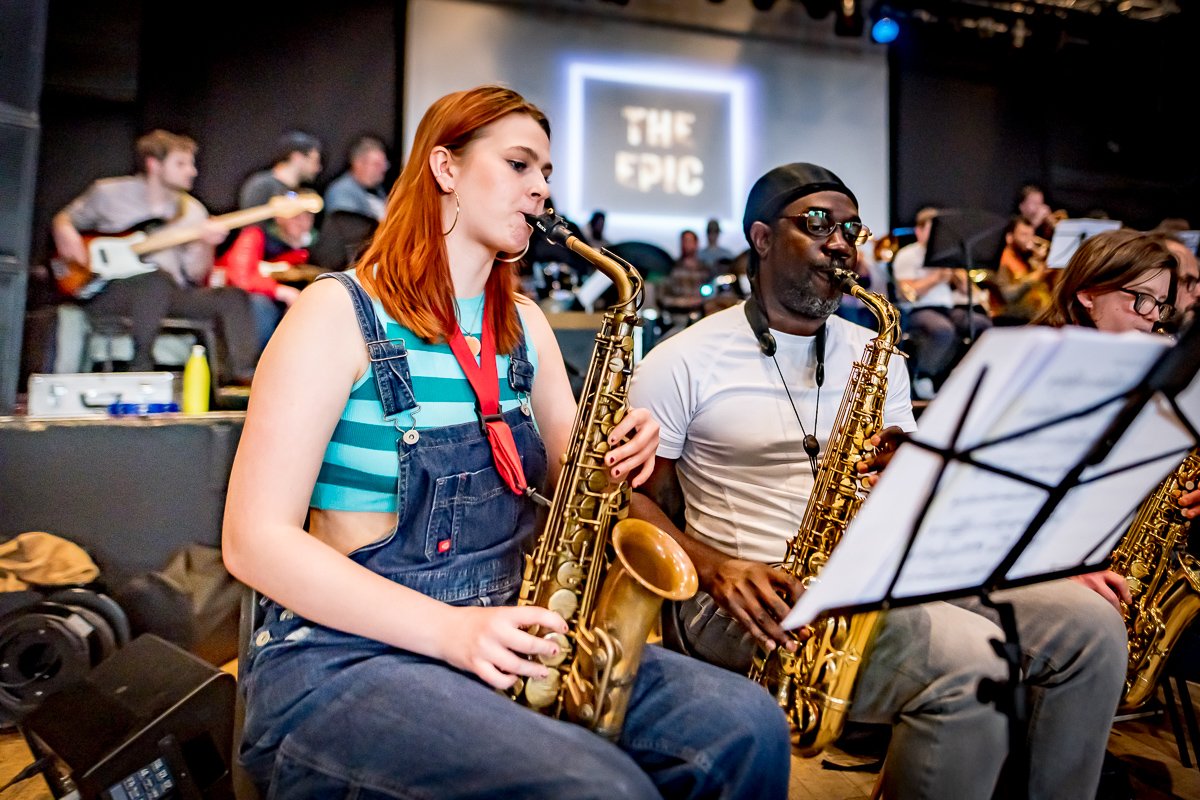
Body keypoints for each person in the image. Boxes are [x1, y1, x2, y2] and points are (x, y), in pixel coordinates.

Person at [222, 85, 790, 800]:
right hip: (351, 658)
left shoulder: (526, 325)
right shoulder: (336, 312)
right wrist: (452, 633)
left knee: (747, 723)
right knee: (601, 789)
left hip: (511, 630)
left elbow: (585, 482)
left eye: (547, 173)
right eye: (521, 165)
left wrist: (625, 451)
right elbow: (253, 541)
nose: (541, 189)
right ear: (445, 168)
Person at [628, 161, 1130, 800]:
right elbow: (632, 498)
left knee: (1089, 627)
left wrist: (914, 478)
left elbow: (908, 497)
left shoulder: (877, 353)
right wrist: (716, 565)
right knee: (974, 660)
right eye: (817, 224)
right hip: (749, 597)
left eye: (850, 228)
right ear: (760, 238)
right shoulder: (680, 359)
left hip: (874, 582)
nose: (839, 242)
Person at [51, 129, 259, 383]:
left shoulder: (193, 211)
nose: (192, 171)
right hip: (108, 290)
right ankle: (140, 368)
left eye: (191, 164)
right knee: (154, 281)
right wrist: (63, 229)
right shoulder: (108, 193)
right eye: (181, 164)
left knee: (231, 297)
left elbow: (194, 274)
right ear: (154, 164)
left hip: (169, 293)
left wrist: (205, 245)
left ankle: (243, 377)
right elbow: (65, 218)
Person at [891, 205, 993, 396]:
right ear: (919, 231)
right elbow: (907, 292)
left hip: (947, 307)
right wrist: (936, 278)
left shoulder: (948, 255)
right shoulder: (907, 255)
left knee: (981, 324)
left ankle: (963, 373)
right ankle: (924, 376)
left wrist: (959, 274)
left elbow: (968, 291)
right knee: (942, 330)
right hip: (917, 309)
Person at [212, 188, 310, 350]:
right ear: (279, 217)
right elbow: (240, 277)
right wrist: (281, 291)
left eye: (307, 217)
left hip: (277, 308)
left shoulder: (304, 252)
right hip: (230, 298)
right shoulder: (255, 235)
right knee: (260, 305)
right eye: (296, 216)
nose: (302, 222)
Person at [238, 130, 323, 210]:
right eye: (314, 161)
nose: (318, 168)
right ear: (297, 157)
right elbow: (252, 222)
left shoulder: (297, 191)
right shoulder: (261, 186)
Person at [992, 214, 1051, 325]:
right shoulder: (1004, 261)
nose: (1030, 240)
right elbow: (1007, 296)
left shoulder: (1025, 258)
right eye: (1024, 235)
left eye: (1032, 235)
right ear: (1009, 238)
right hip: (1015, 320)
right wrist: (1036, 275)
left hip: (1034, 317)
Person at [321, 134, 390, 222]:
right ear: (358, 164)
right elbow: (349, 228)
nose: (383, 169)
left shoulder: (378, 191)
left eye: (384, 164)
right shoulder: (341, 192)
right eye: (377, 164)